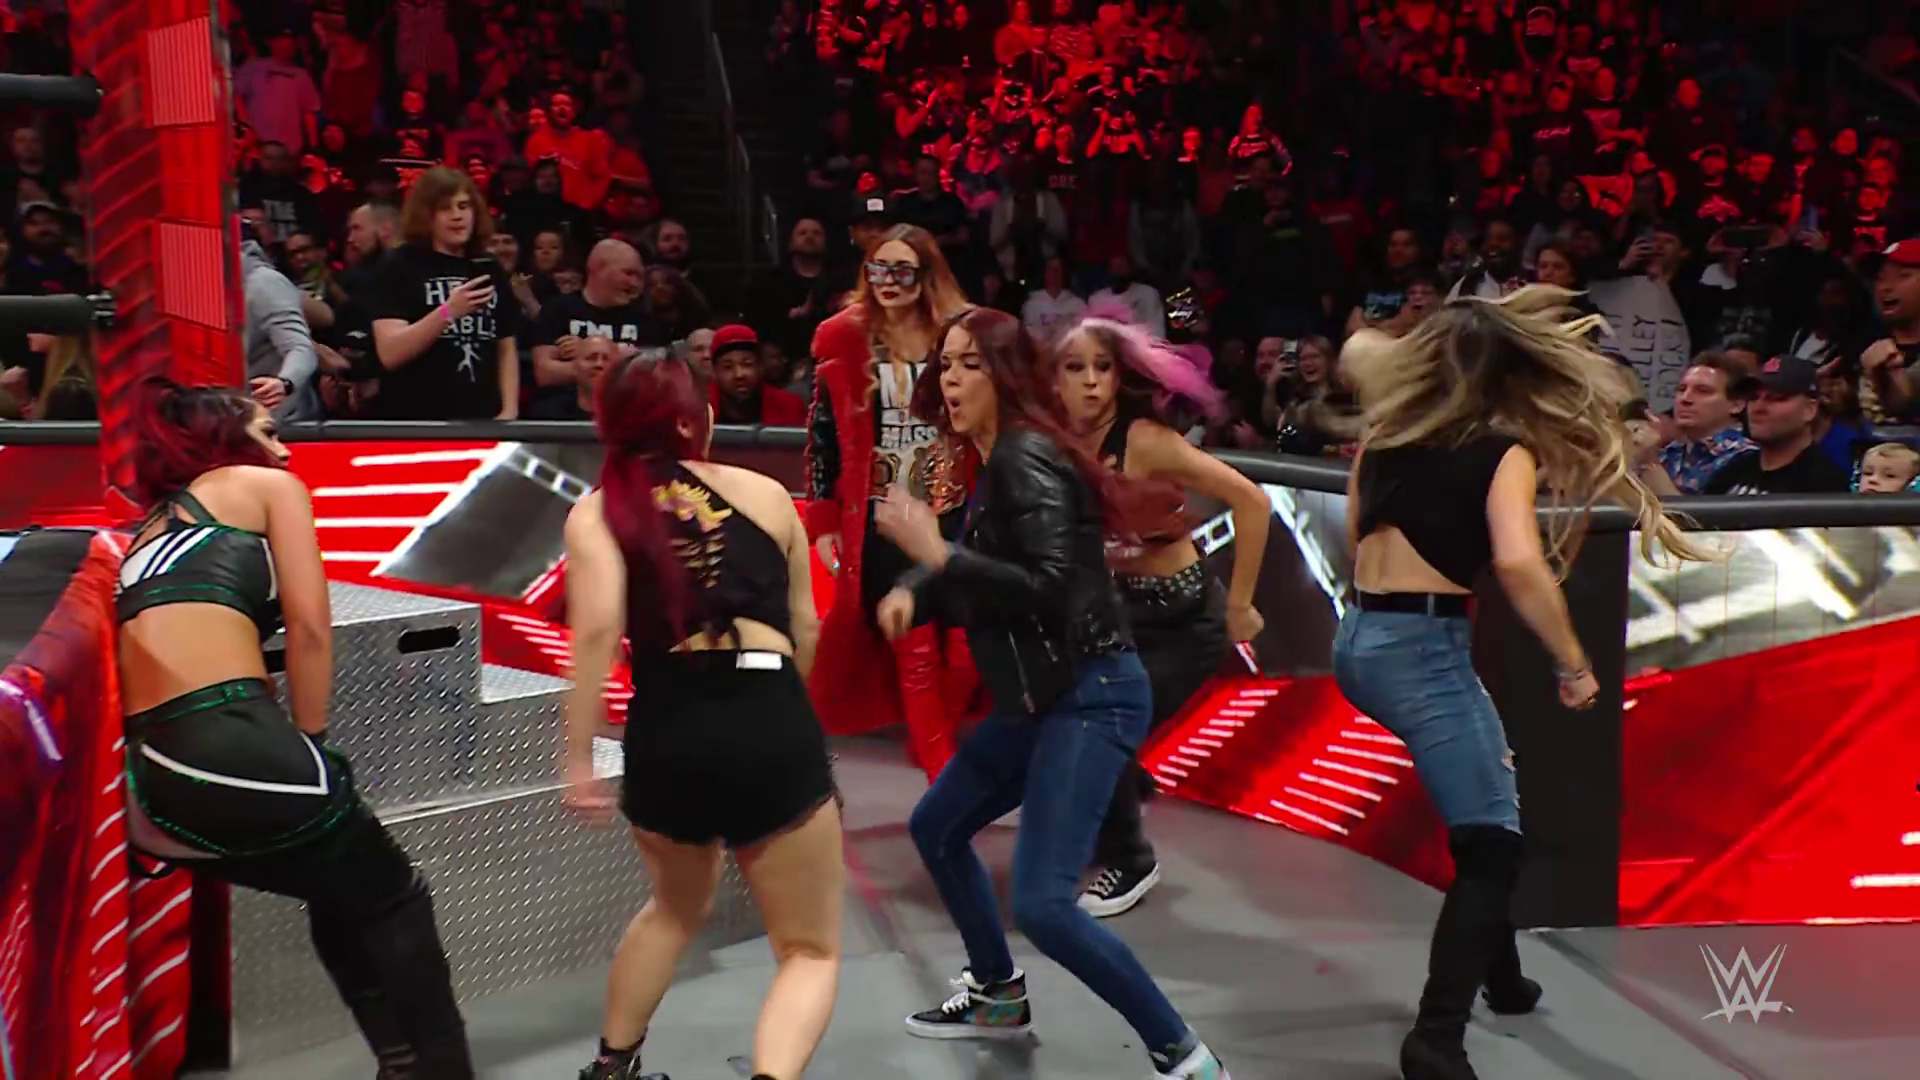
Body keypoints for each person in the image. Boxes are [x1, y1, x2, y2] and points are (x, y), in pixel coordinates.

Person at [1333, 290, 1708, 1080]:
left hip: (1359, 638)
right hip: (1422, 652)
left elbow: (1355, 529)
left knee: (1482, 813)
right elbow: (1518, 564)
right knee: (1493, 845)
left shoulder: (1386, 436)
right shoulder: (1501, 451)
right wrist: (1574, 663)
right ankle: (1436, 1040)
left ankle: (1502, 979)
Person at [874, 308, 1233, 1080]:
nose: (952, 378)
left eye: (970, 364)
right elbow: (984, 560)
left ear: (1005, 375)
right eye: (946, 364)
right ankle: (997, 993)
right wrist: (918, 584)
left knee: (1042, 904)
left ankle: (1187, 1058)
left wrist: (938, 557)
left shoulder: (1025, 456)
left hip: (1087, 696)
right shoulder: (1002, 458)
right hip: (1041, 701)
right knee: (938, 826)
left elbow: (1052, 587)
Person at [116, 378, 472, 1078]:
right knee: (396, 898)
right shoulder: (264, 486)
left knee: (339, 887)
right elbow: (310, 628)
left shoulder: (152, 528)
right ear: (227, 439)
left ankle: (400, 1065)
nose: (284, 450)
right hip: (226, 737)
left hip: (150, 780)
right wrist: (313, 747)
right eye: (268, 432)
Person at [562, 350, 843, 1080]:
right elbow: (806, 630)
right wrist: (778, 721)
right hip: (767, 710)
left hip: (668, 720)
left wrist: (578, 757)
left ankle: (610, 1068)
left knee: (673, 908)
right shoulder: (766, 494)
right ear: (698, 419)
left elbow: (597, 630)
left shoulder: (598, 510)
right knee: (809, 950)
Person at [1054, 308, 1272, 917]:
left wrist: (1240, 603)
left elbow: (1252, 502)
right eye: (1075, 368)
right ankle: (1118, 799)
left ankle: (1131, 860)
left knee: (1105, 726)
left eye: (1103, 367)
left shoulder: (1145, 441)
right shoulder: (1055, 442)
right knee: (1084, 721)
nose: (1090, 381)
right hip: (1117, 614)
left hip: (1183, 619)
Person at [804, 223, 979, 780]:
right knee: (915, 650)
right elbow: (824, 436)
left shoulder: (964, 334)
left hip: (955, 511)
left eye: (901, 271)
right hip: (882, 519)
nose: (887, 281)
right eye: (877, 269)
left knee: (969, 650)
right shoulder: (844, 339)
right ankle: (941, 773)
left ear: (927, 276)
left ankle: (937, 748)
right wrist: (825, 521)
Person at [366, 166, 523, 420]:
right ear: (426, 215)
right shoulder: (399, 265)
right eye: (445, 208)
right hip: (419, 420)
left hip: (485, 420)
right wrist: (448, 312)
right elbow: (391, 353)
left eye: (463, 206)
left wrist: (509, 410)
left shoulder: (487, 265)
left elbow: (505, 345)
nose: (457, 216)